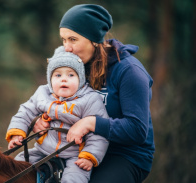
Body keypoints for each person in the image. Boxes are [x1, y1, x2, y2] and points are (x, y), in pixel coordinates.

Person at [33, 4, 155, 183]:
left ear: (94, 39)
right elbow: (57, 101)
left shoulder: (130, 72)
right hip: (79, 149)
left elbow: (137, 130)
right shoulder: (77, 66)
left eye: (73, 39)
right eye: (63, 40)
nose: (67, 48)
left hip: (125, 155)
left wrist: (91, 123)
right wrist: (41, 121)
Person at [6, 46, 109, 183]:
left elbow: (99, 134)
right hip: (43, 150)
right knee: (16, 167)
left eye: (71, 75)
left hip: (75, 155)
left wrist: (89, 156)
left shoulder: (90, 99)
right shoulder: (42, 94)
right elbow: (25, 112)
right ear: (50, 79)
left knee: (74, 178)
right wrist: (17, 133)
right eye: (58, 75)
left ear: (81, 79)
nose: (64, 79)